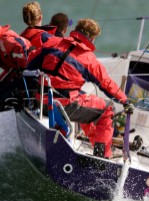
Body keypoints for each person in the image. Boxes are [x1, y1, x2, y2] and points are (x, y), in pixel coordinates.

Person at [27, 18, 134, 159]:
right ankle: (102, 158)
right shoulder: (89, 59)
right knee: (107, 109)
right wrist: (125, 101)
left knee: (85, 100)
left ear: (76, 30)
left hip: (41, 100)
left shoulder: (53, 42)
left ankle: (94, 141)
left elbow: (30, 65)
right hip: (65, 106)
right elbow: (106, 84)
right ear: (92, 38)